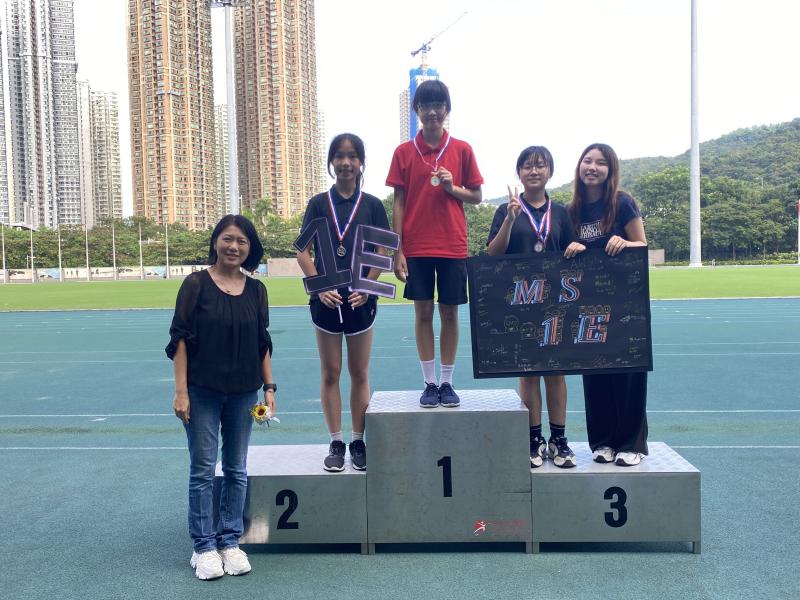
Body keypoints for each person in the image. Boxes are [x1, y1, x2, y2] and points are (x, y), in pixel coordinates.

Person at [166, 215, 276, 580]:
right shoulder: (195, 284)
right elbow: (180, 339)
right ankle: (203, 547)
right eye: (228, 239)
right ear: (216, 242)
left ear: (250, 248)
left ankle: (230, 541)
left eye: (242, 242)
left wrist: (269, 389)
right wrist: (181, 392)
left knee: (236, 469)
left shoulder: (257, 290)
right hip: (202, 392)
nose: (234, 247)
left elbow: (263, 344)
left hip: (244, 393)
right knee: (202, 470)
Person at [386, 79, 483, 408]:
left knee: (450, 314)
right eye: (425, 106)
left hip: (452, 245)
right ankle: (429, 383)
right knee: (423, 313)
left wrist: (451, 188)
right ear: (416, 111)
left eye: (438, 105)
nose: (432, 112)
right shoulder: (403, 152)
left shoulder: (462, 150)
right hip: (417, 247)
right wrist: (398, 249)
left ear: (447, 109)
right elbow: (399, 201)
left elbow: (477, 195)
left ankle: (447, 382)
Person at [296, 133, 390, 472]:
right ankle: (335, 442)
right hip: (327, 299)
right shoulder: (319, 203)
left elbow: (382, 251)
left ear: (361, 162)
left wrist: (369, 285)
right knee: (331, 371)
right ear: (331, 162)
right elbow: (302, 249)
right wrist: (319, 287)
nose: (346, 162)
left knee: (359, 372)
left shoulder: (373, 205)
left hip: (360, 299)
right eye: (339, 156)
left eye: (352, 156)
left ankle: (358, 439)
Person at [486, 146, 583, 468]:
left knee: (555, 372)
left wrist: (574, 246)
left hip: (554, 302)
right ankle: (533, 438)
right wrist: (511, 221)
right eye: (527, 166)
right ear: (519, 173)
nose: (534, 171)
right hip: (521, 302)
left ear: (550, 172)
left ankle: (558, 439)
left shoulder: (563, 213)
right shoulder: (506, 210)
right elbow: (493, 254)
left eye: (540, 166)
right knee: (528, 374)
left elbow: (572, 249)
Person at [565, 143, 649, 467]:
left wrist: (626, 243)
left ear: (610, 170)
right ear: (579, 166)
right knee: (595, 372)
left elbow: (641, 245)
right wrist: (570, 246)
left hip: (625, 304)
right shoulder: (571, 210)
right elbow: (561, 253)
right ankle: (602, 442)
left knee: (628, 374)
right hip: (590, 305)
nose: (593, 167)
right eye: (588, 160)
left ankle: (631, 444)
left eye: (601, 163)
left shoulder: (622, 203)